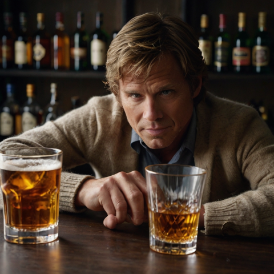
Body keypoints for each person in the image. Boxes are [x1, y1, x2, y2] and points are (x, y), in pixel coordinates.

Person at [0, 12, 274, 237]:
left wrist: (187, 215)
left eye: (166, 92)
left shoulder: (240, 124)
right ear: (118, 94)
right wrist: (84, 189)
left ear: (194, 85)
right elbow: (9, 155)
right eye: (134, 95)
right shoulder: (101, 115)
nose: (151, 114)